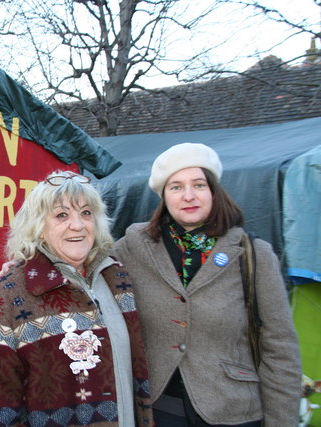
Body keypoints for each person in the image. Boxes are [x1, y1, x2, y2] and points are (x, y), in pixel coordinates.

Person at [113, 143, 301, 427]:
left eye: (198, 184)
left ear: (214, 190)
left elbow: (279, 347)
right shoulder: (132, 249)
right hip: (159, 409)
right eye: (176, 187)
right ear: (163, 196)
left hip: (232, 410)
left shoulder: (253, 253)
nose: (188, 195)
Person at [0, 170, 154, 427]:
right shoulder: (6, 300)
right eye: (62, 215)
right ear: (39, 228)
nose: (77, 225)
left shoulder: (116, 277)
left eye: (86, 213)